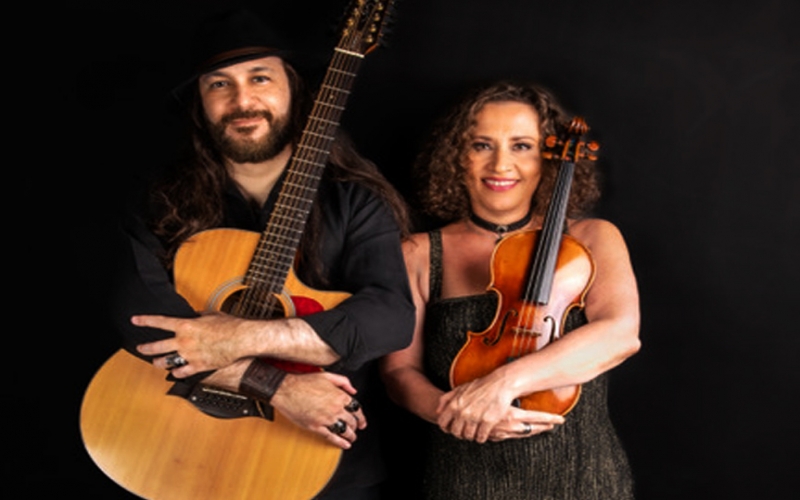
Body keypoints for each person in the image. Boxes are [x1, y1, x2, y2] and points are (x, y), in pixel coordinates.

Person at [108, 8, 414, 500]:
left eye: (260, 77)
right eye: (219, 84)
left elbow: (390, 319)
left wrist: (237, 338)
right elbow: (140, 320)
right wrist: (276, 386)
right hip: (171, 443)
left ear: (293, 88)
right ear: (200, 102)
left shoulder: (356, 202)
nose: (242, 100)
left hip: (320, 460)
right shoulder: (159, 202)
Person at [380, 81, 641, 499]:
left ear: (546, 159)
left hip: (582, 478)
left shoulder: (591, 238)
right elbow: (398, 373)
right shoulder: (417, 252)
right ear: (456, 157)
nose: (501, 164)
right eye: (482, 145)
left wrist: (500, 384)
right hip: (464, 479)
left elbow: (620, 335)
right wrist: (454, 412)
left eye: (521, 146)